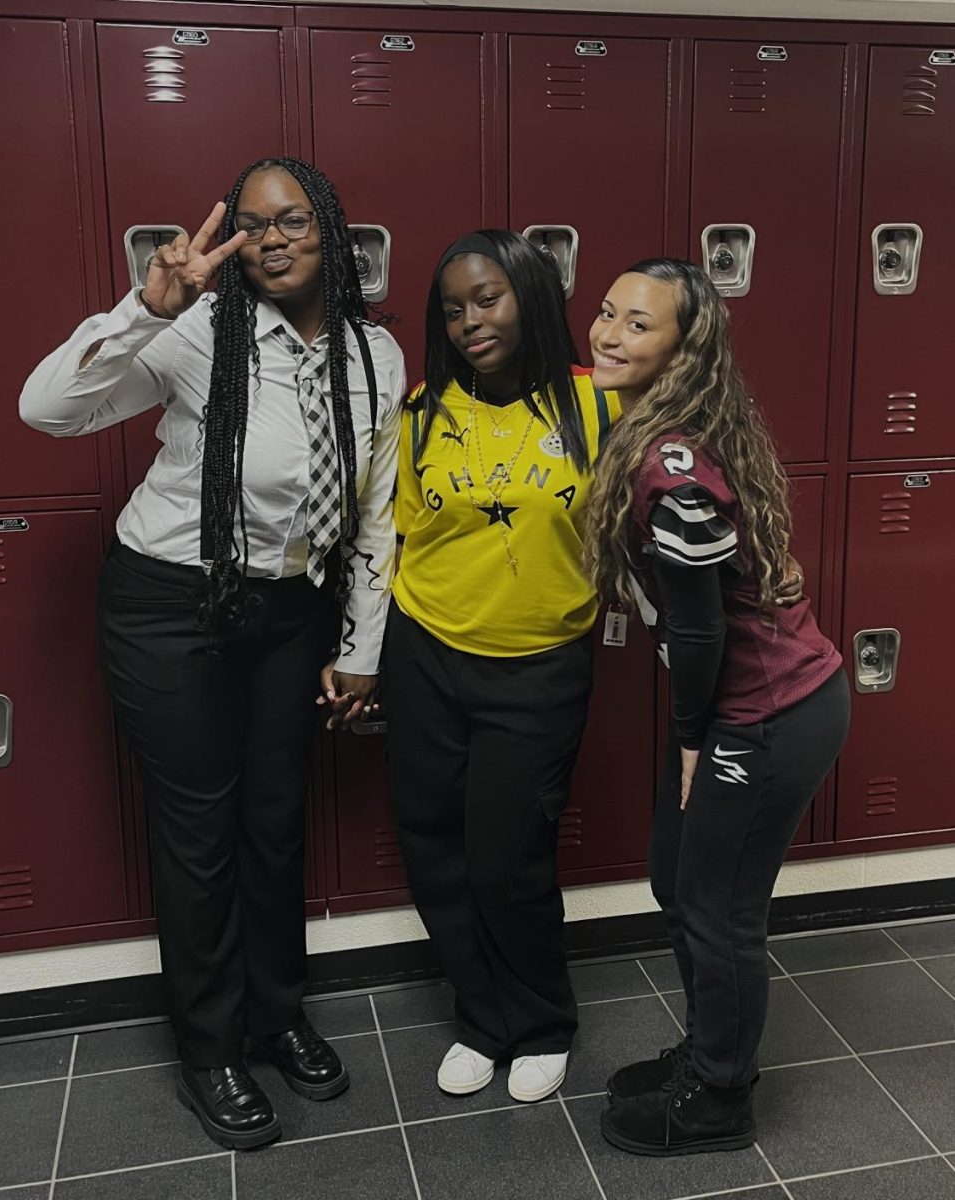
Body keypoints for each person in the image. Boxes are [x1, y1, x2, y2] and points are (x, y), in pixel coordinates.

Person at [19, 157, 405, 1150]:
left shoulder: (376, 356)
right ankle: (211, 1047)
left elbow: (377, 517)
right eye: (252, 224)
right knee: (200, 832)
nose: (271, 239)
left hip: (290, 611)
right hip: (172, 605)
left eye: (292, 221)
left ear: (332, 231)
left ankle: (277, 1013)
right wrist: (142, 310)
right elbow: (47, 411)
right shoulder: (198, 334)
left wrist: (361, 647)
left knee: (275, 820)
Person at [585, 258, 849, 1156]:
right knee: (675, 878)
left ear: (682, 349)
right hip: (732, 708)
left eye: (638, 324)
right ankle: (708, 1051)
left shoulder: (675, 467)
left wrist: (696, 737)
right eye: (608, 313)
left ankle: (720, 1100)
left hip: (765, 714)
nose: (609, 333)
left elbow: (698, 636)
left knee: (719, 909)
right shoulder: (662, 427)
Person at [383, 230, 625, 1105]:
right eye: (452, 308)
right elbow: (400, 538)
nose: (469, 321)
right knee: (434, 850)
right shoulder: (422, 411)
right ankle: (480, 1017)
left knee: (508, 856)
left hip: (538, 666)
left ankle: (540, 1021)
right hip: (426, 651)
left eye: (487, 298)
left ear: (529, 294)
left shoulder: (598, 405)